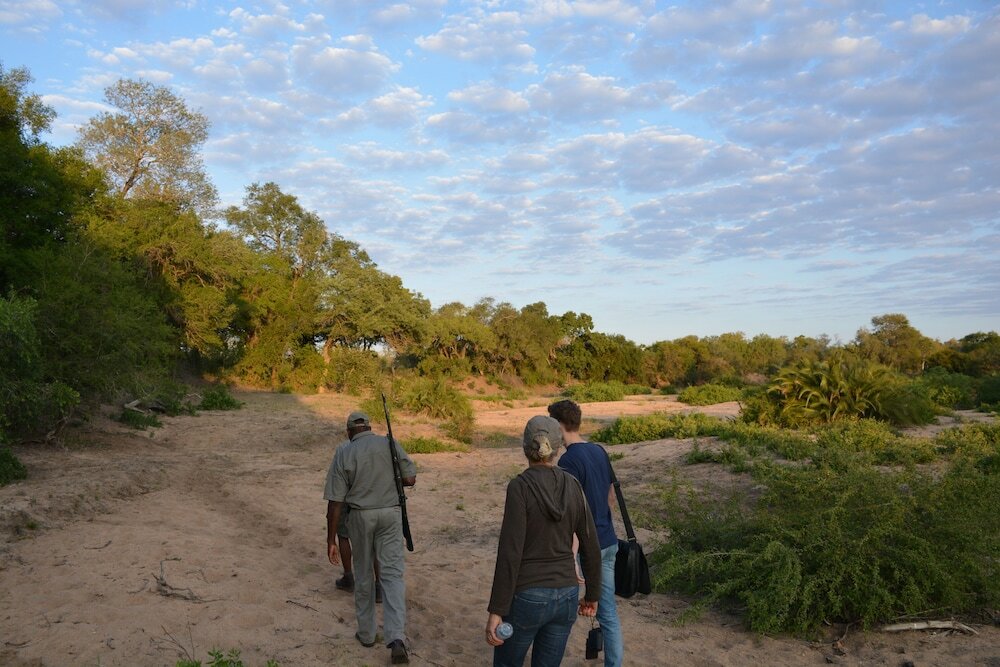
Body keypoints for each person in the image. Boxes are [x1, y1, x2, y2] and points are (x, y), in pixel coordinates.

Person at [485, 415, 602, 667]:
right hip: (567, 596)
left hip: (528, 595)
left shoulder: (520, 487)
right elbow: (591, 544)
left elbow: (510, 552)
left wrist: (496, 610)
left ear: (525, 447)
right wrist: (592, 595)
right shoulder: (573, 485)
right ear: (557, 448)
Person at [325, 410, 416, 665]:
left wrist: (331, 539)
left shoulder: (344, 451)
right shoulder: (388, 442)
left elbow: (335, 502)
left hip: (361, 517)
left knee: (363, 574)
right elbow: (409, 478)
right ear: (368, 428)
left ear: (349, 431)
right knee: (392, 576)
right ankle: (396, 638)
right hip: (390, 514)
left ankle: (366, 634)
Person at [548, 399, 624, 667]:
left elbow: (571, 513)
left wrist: (571, 554)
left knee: (567, 612)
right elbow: (611, 495)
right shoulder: (598, 450)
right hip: (609, 540)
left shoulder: (568, 461)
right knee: (608, 613)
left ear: (559, 425)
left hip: (588, 548)